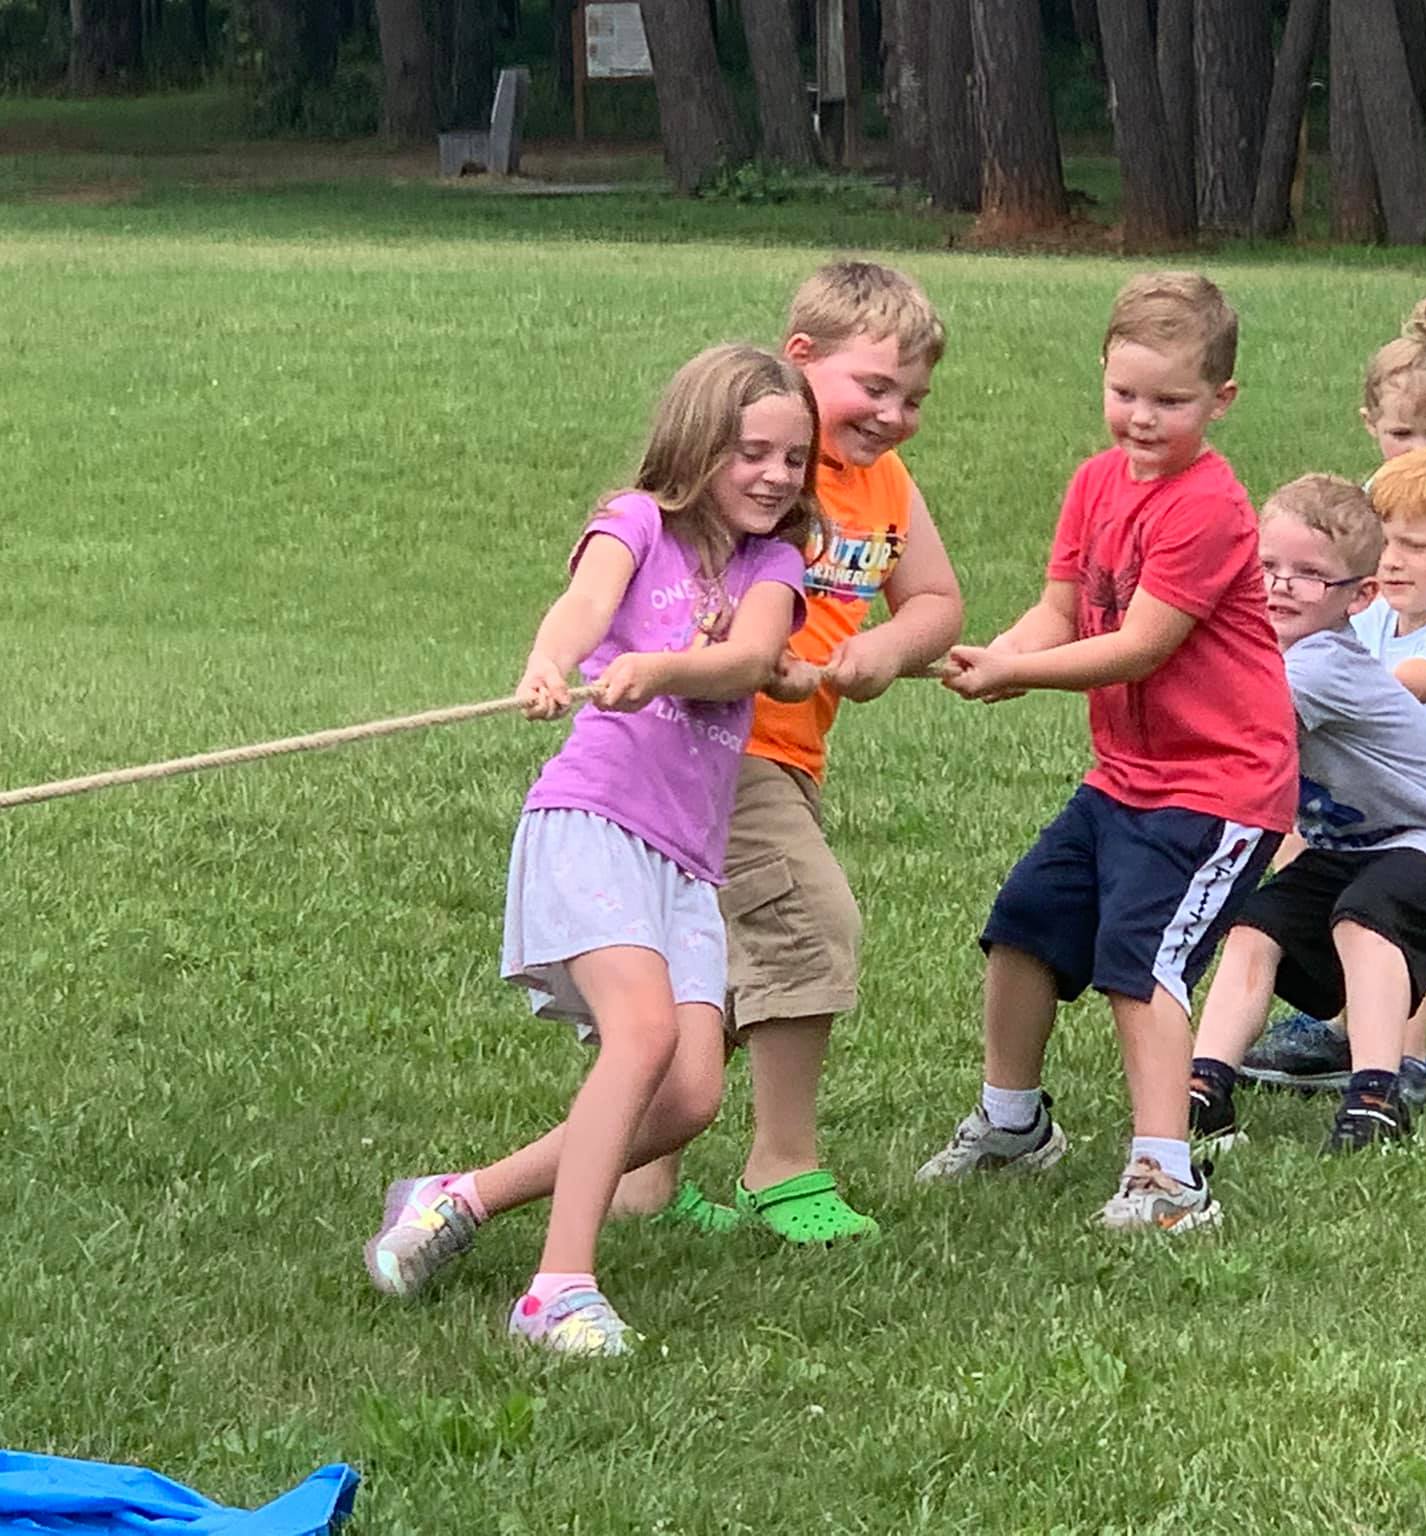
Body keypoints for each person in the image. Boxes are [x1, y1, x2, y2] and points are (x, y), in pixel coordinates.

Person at [361, 344, 816, 1355]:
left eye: (794, 458)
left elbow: (746, 658)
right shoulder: (636, 522)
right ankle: (556, 1288)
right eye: (753, 452)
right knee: (643, 1037)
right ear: (698, 444)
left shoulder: (772, 565)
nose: (776, 476)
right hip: (595, 821)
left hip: (685, 863)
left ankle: (463, 1198)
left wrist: (659, 667)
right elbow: (582, 606)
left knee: (690, 1095)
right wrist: (550, 662)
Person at [916, 271, 1294, 1232]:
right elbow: (1058, 609)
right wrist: (999, 654)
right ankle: (1013, 1124)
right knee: (1022, 926)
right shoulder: (1093, 483)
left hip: (1218, 790)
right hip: (1125, 780)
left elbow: (1139, 646)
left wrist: (1020, 678)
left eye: (1170, 401)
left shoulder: (1207, 506)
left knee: (1140, 959)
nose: (1142, 417)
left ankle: (1168, 1181)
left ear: (1220, 401)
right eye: (1125, 393)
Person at [618, 261, 964, 1245]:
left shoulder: (886, 483)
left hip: (792, 757)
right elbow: (666, 568)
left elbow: (935, 602)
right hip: (716, 748)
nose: (893, 414)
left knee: (720, 969)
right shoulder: (764, 465)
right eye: (874, 386)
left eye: (913, 398)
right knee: (808, 923)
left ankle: (638, 1179)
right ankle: (783, 1164)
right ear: (799, 357)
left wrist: (881, 650)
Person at [1185, 475, 1426, 1152]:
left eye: (1308, 575)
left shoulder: (1317, 664)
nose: (1279, 585)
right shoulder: (1271, 652)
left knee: (1365, 920)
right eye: (1266, 567)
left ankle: (1376, 1098)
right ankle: (1204, 1085)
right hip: (1352, 847)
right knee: (1253, 927)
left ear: (1359, 597)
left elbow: (1232, 728)